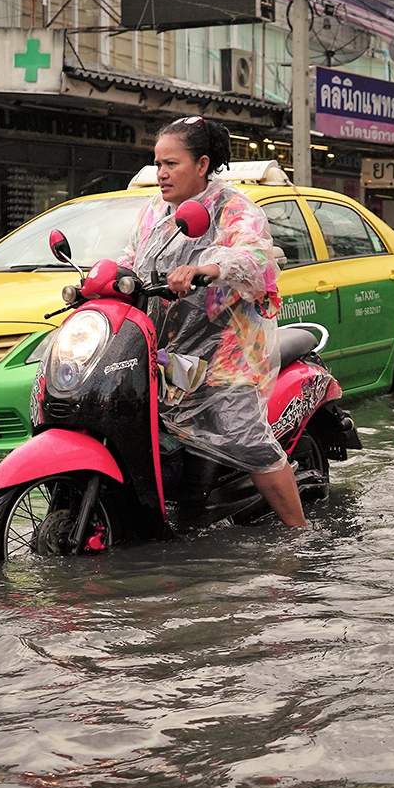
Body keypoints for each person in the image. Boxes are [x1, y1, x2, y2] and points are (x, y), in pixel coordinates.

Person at [119, 116, 305, 529]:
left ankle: (299, 536)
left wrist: (210, 267)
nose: (161, 174)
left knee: (245, 439)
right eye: (158, 164)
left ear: (202, 164)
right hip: (167, 347)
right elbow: (132, 257)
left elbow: (256, 257)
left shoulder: (234, 208)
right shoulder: (155, 211)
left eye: (171, 163)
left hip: (227, 348)